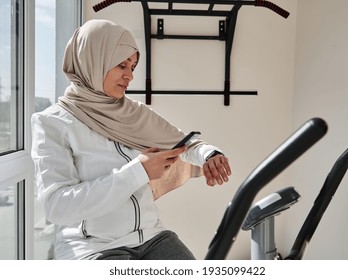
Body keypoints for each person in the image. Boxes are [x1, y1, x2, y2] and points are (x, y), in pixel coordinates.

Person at [31, 19, 231, 260]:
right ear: (94, 60)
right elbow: (57, 206)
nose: (129, 76)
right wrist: (139, 171)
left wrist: (210, 155)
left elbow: (184, 144)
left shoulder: (134, 113)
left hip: (151, 236)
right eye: (121, 66)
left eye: (133, 67)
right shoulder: (53, 123)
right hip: (93, 247)